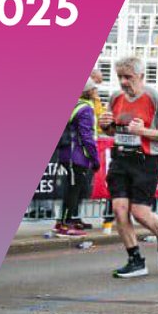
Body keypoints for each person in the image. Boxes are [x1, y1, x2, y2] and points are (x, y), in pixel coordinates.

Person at [99, 56, 158, 278]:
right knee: (119, 209)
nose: (124, 82)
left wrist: (143, 132)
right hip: (121, 158)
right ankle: (135, 259)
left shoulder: (155, 98)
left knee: (140, 212)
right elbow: (113, 131)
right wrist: (105, 126)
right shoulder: (116, 97)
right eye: (120, 77)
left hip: (145, 160)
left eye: (129, 77)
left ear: (141, 77)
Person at [54, 79, 101, 236]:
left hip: (66, 154)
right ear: (88, 91)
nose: (97, 91)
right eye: (94, 89)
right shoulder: (86, 109)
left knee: (71, 189)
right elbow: (87, 137)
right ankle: (65, 226)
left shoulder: (74, 105)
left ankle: (64, 222)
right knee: (73, 190)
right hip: (78, 156)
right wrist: (95, 159)